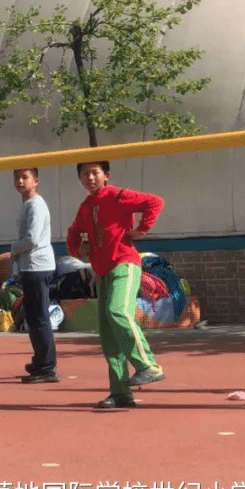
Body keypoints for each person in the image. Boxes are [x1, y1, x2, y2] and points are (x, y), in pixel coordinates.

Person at [66, 161, 165, 410]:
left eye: (95, 172)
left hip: (124, 263)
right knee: (109, 336)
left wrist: (142, 230)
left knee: (117, 311)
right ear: (79, 178)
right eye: (84, 173)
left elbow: (154, 202)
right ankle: (120, 392)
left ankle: (147, 364)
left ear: (106, 175)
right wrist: (78, 251)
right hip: (102, 271)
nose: (90, 177)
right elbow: (73, 232)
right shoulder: (85, 207)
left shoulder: (117, 195)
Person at [11, 169, 58, 383]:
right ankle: (40, 360)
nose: (20, 181)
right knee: (33, 316)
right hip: (30, 267)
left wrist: (12, 249)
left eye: (25, 177)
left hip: (38, 266)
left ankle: (47, 367)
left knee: (39, 317)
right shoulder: (26, 205)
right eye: (17, 178)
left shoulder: (36, 205)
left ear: (36, 181)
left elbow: (31, 239)